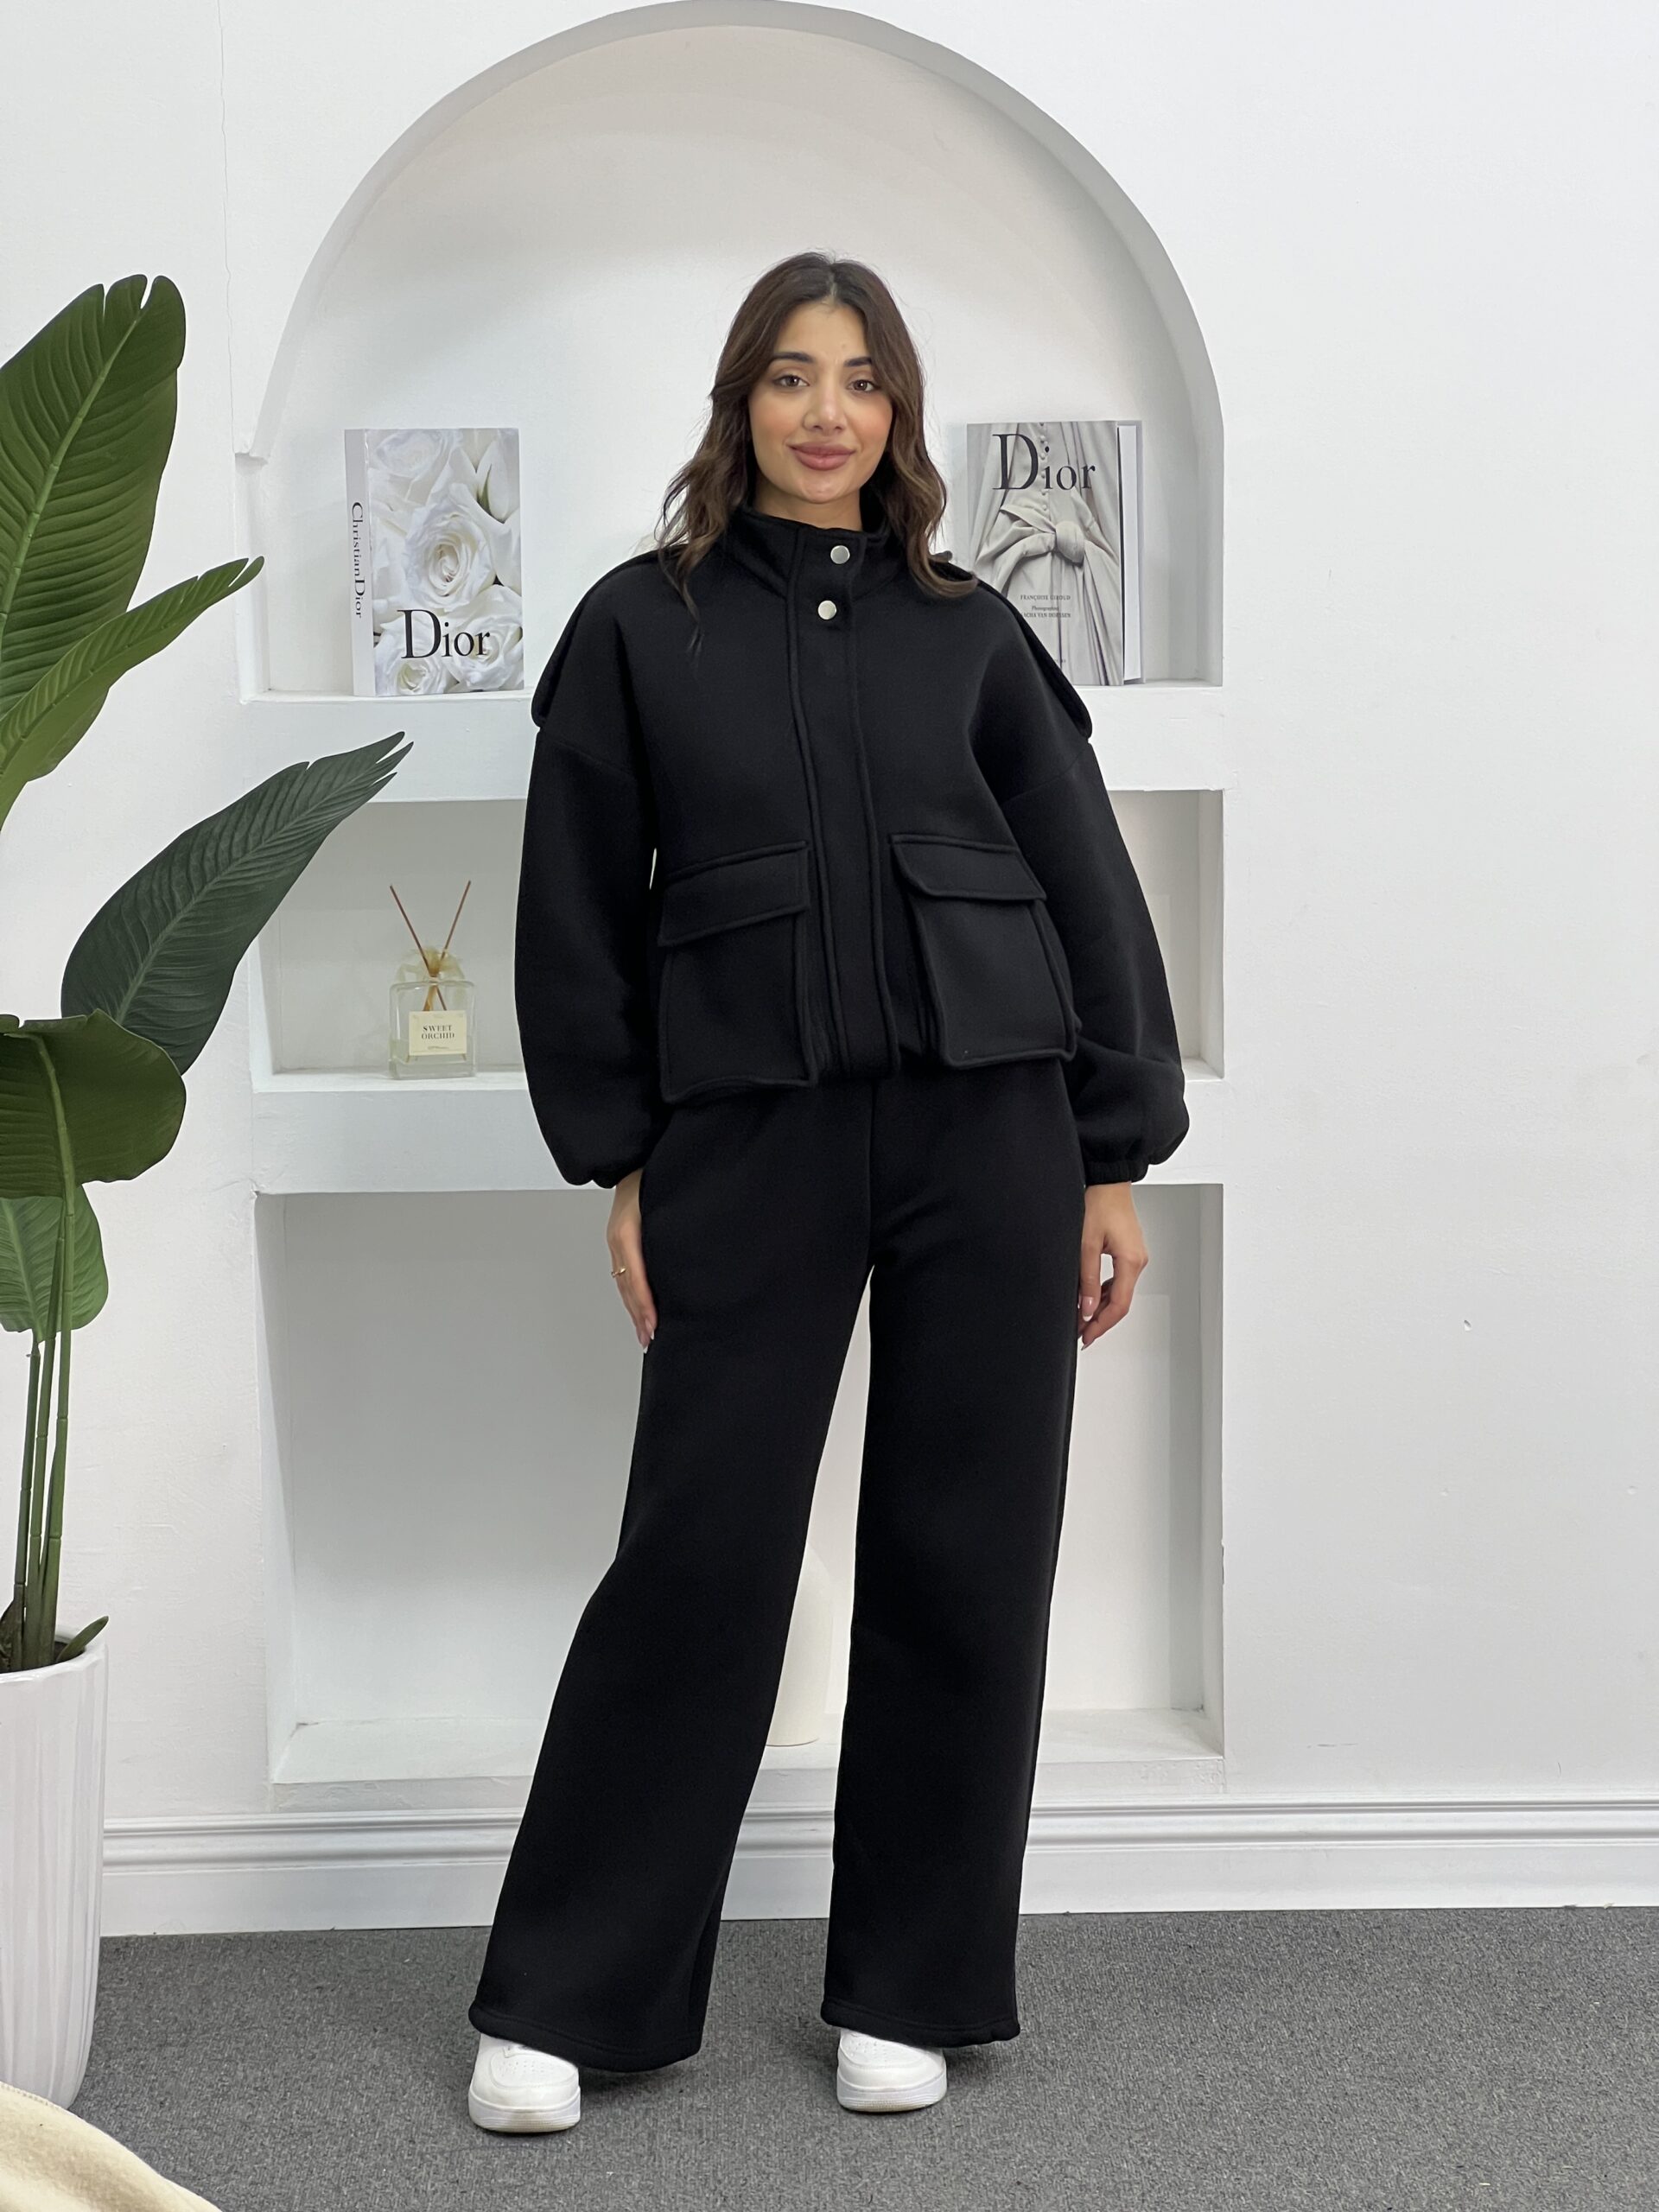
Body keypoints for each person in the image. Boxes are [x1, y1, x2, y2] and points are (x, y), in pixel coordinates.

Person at [466, 251, 1188, 2133]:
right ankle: (567, 1997)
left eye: (863, 379)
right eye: (792, 375)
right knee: (699, 1553)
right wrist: (623, 1151)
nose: (827, 411)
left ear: (899, 414)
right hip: (751, 1138)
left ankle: (912, 1985)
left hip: (990, 1132)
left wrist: (1111, 1154)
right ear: (742, 402)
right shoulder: (641, 626)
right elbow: (571, 909)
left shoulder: (972, 632)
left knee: (969, 1550)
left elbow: (1087, 887)